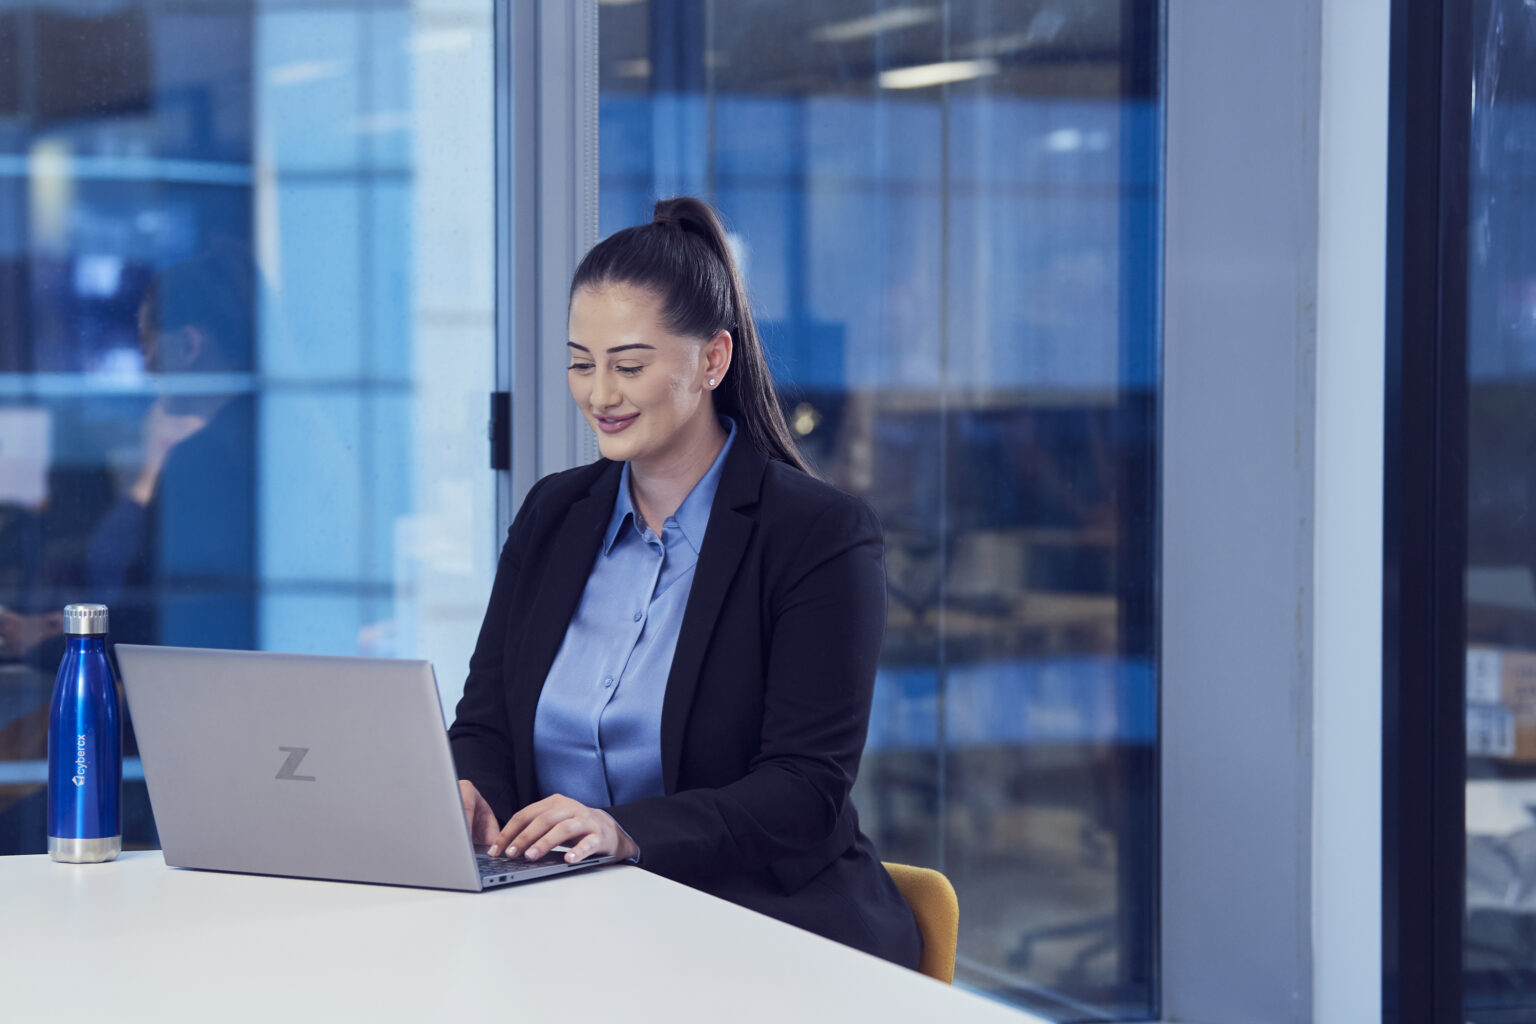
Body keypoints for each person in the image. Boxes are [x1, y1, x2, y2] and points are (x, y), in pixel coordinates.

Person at [448, 197, 922, 968]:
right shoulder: (553, 515)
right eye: (580, 362)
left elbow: (804, 790)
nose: (599, 394)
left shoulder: (815, 534)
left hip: (757, 926)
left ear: (712, 360)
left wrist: (625, 831)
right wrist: (472, 789)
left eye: (628, 365)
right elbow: (486, 723)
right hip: (570, 923)